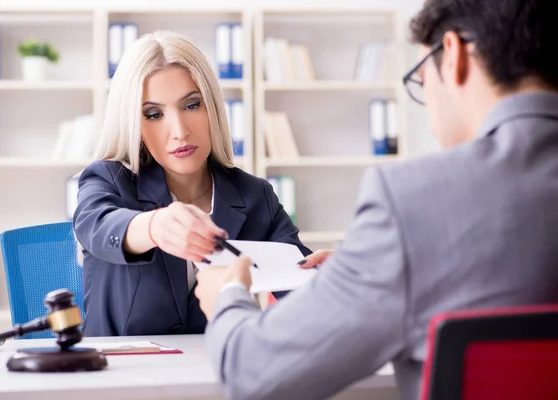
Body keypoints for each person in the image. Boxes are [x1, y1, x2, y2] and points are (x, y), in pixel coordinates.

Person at [194, 0, 558, 399]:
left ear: (452, 54)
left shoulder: (413, 204)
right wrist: (366, 267)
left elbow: (251, 373)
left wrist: (227, 297)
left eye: (420, 79)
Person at [72, 30, 312, 337]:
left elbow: (305, 297)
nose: (180, 131)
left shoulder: (255, 196)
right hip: (121, 376)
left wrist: (333, 278)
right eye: (154, 114)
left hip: (212, 375)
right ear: (132, 123)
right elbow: (98, 224)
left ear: (212, 108)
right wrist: (155, 227)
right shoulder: (108, 179)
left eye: (192, 105)